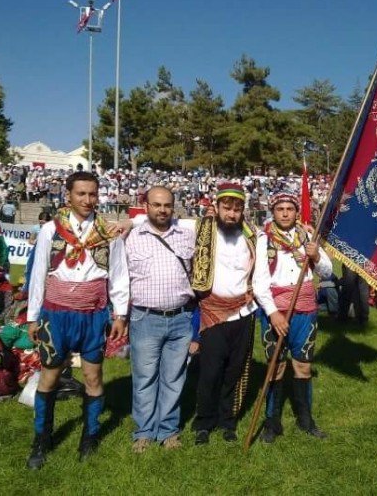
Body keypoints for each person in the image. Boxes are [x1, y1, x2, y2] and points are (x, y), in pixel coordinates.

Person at [25, 171, 129, 469]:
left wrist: (120, 313)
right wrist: (33, 316)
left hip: (94, 315)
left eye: (92, 194)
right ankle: (42, 439)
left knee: (93, 378)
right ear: (68, 195)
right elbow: (38, 273)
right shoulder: (50, 229)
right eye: (81, 194)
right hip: (56, 313)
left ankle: (90, 435)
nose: (87, 200)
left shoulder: (108, 231)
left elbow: (119, 275)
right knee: (50, 377)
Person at [252, 190, 332, 443]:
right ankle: (272, 421)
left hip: (305, 310)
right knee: (275, 366)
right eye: (280, 209)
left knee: (302, 365)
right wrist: (273, 313)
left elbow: (327, 271)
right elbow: (259, 282)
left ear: (296, 212)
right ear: (273, 212)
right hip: (275, 310)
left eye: (289, 209)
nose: (285, 213)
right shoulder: (264, 240)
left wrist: (316, 255)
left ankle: (305, 419)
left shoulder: (308, 236)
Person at [125, 186, 196, 453]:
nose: (162, 210)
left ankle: (168, 430)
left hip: (180, 318)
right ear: (146, 207)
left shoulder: (186, 234)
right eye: (156, 205)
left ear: (173, 207)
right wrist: (129, 222)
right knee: (144, 378)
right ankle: (143, 431)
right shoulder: (131, 236)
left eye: (167, 205)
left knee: (173, 378)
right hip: (145, 318)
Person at [190, 182, 259, 445]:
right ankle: (204, 422)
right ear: (216, 207)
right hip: (212, 312)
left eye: (237, 210)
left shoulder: (252, 236)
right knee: (210, 371)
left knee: (235, 370)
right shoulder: (199, 230)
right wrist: (128, 225)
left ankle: (228, 421)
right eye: (227, 208)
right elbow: (159, 224)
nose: (231, 214)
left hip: (243, 312)